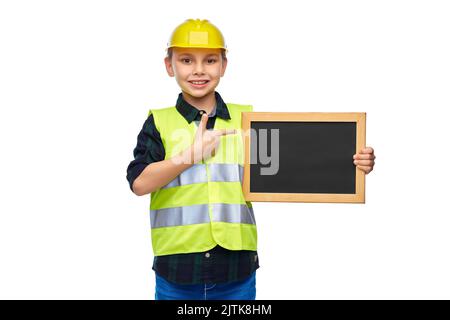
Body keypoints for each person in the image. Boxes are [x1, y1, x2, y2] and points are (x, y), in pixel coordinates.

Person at [126, 19, 376, 300]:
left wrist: (350, 162)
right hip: (177, 272)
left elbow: (297, 166)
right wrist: (189, 156)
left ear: (223, 66)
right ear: (169, 65)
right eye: (186, 60)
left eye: (210, 60)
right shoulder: (159, 122)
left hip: (237, 272)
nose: (198, 70)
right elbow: (138, 184)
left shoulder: (248, 121)